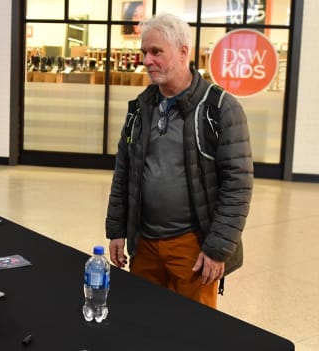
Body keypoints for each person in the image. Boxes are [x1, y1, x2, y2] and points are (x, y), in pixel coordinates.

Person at [105, 14, 253, 308]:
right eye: (144, 53)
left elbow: (238, 185)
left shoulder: (220, 108)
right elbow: (124, 173)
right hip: (143, 242)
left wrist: (217, 249)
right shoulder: (141, 107)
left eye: (156, 52)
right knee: (143, 322)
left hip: (194, 247)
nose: (147, 61)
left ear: (184, 51)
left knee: (194, 333)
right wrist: (117, 230)